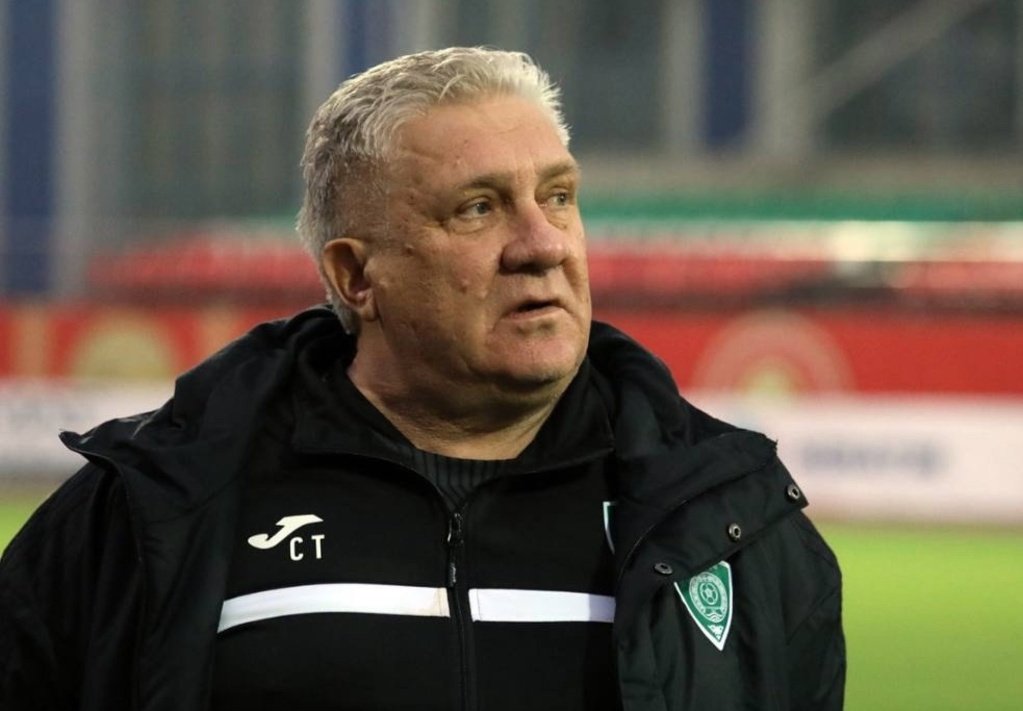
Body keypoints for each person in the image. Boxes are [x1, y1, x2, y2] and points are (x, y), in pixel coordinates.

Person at [0, 47, 844, 710]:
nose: (542, 244)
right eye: (477, 208)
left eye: (557, 197)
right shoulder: (147, 509)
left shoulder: (731, 521)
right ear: (356, 276)